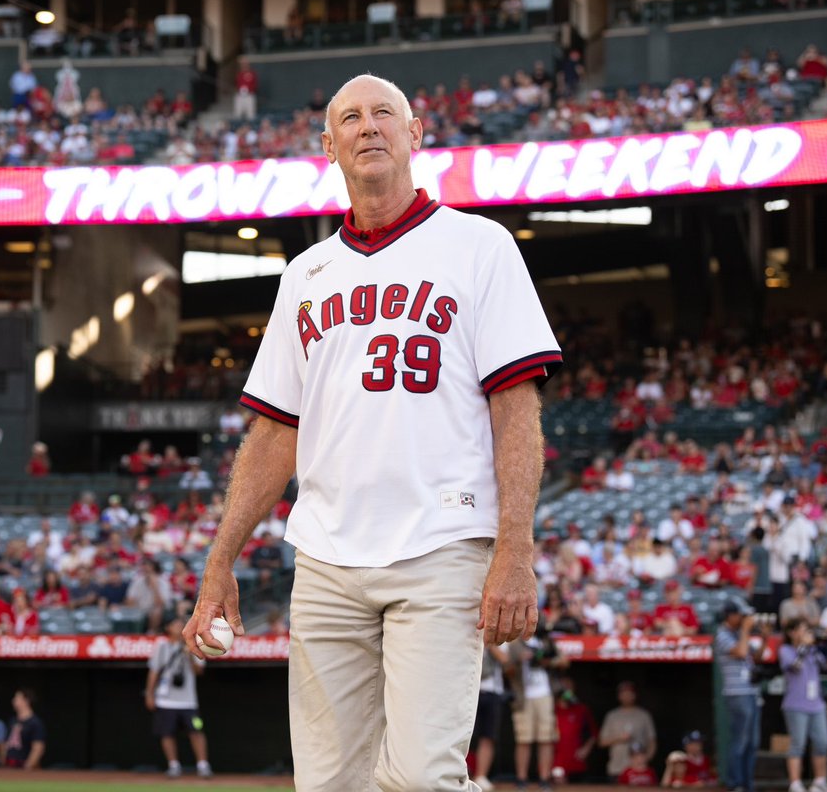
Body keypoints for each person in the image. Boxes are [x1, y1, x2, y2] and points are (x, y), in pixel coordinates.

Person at [183, 72, 561, 792]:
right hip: (326, 556)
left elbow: (516, 409)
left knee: (421, 780)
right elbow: (272, 434)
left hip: (444, 544)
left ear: (415, 134)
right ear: (330, 146)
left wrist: (515, 546)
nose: (369, 127)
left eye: (385, 113)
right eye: (351, 118)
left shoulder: (480, 246)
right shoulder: (305, 274)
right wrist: (219, 560)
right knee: (327, 784)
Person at [148, 617, 212, 778]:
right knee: (167, 733)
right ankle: (173, 765)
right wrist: (149, 693)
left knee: (196, 730)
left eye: (182, 624)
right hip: (165, 700)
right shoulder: (161, 645)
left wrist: (188, 652)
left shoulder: (194, 645)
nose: (180, 627)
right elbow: (154, 671)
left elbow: (199, 671)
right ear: (168, 628)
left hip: (188, 701)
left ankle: (203, 765)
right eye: (176, 624)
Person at [779, 619, 827, 792]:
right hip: (796, 704)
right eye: (802, 630)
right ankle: (795, 783)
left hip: (816, 704)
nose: (806, 634)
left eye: (807, 631)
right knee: (798, 744)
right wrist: (804, 647)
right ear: (792, 632)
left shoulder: (813, 651)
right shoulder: (786, 650)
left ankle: (820, 781)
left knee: (822, 742)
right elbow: (795, 666)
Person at [509, 628, 564, 790]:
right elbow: (507, 668)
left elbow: (563, 660)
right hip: (523, 696)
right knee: (523, 738)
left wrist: (547, 661)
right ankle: (521, 778)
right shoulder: (514, 642)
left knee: (546, 737)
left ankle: (544, 778)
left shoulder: (546, 641)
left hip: (545, 693)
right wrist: (520, 659)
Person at [716, 598, 760, 792]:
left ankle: (747, 784)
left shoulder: (737, 633)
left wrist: (765, 637)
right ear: (730, 615)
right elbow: (741, 651)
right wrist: (746, 629)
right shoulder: (722, 634)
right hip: (737, 693)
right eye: (740, 616)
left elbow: (756, 656)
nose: (744, 619)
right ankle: (736, 783)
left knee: (752, 742)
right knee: (740, 741)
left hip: (751, 692)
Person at [599, 681, 657, 781]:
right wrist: (619, 738)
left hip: (639, 770)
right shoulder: (612, 716)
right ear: (619, 696)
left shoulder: (643, 715)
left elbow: (652, 741)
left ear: (635, 695)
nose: (627, 696)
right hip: (617, 768)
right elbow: (601, 742)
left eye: (629, 693)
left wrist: (646, 758)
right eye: (623, 694)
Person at [471, 642, 510, 790]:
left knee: (488, 736)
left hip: (492, 690)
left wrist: (488, 642)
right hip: (469, 689)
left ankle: (481, 776)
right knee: (461, 734)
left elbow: (504, 658)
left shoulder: (499, 635)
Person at [552, 678, 597, 783]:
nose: (567, 691)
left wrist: (586, 749)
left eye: (570, 688)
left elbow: (594, 733)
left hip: (577, 763)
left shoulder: (581, 709)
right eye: (564, 687)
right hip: (556, 763)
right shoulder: (550, 710)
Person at [1, 689, 45, 769]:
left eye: (17, 698)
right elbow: (6, 743)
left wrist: (29, 765)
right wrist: (2, 759)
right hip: (9, 764)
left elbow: (38, 747)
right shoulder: (12, 720)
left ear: (26, 701)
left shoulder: (35, 722)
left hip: (23, 764)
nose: (14, 700)